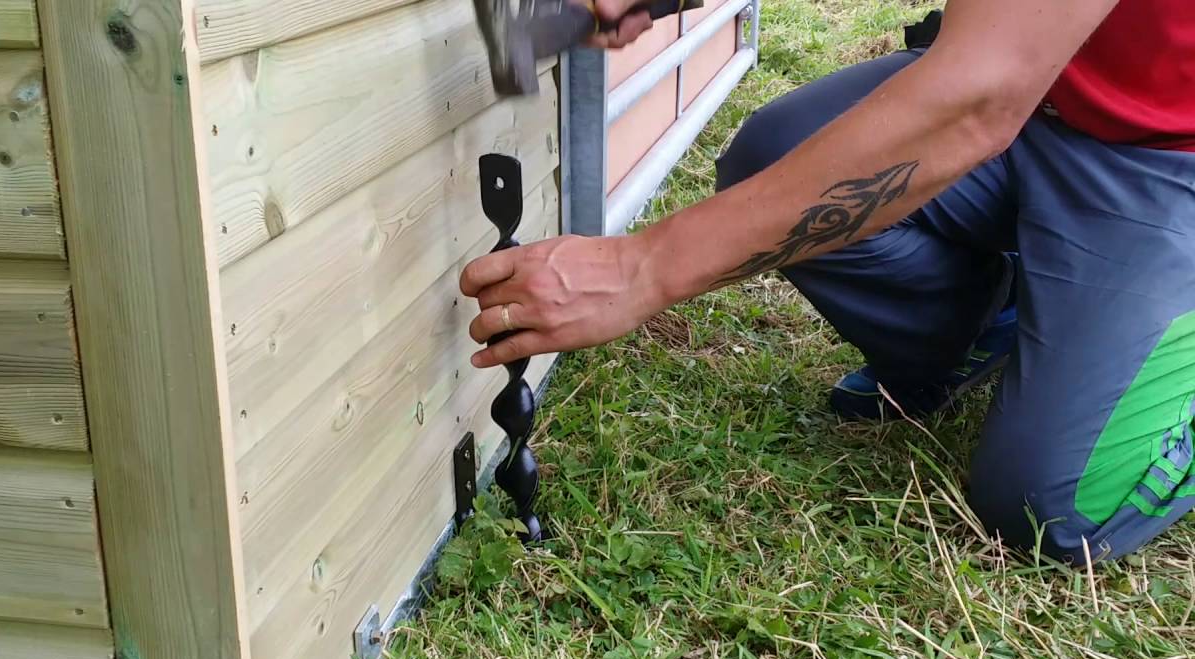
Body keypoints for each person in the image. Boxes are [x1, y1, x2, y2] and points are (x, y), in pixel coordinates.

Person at [458, 0, 1195, 566]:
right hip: (1049, 91)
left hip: (1165, 156)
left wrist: (640, 268)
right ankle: (986, 327)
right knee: (777, 160)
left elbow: (977, 101)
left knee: (1051, 509)